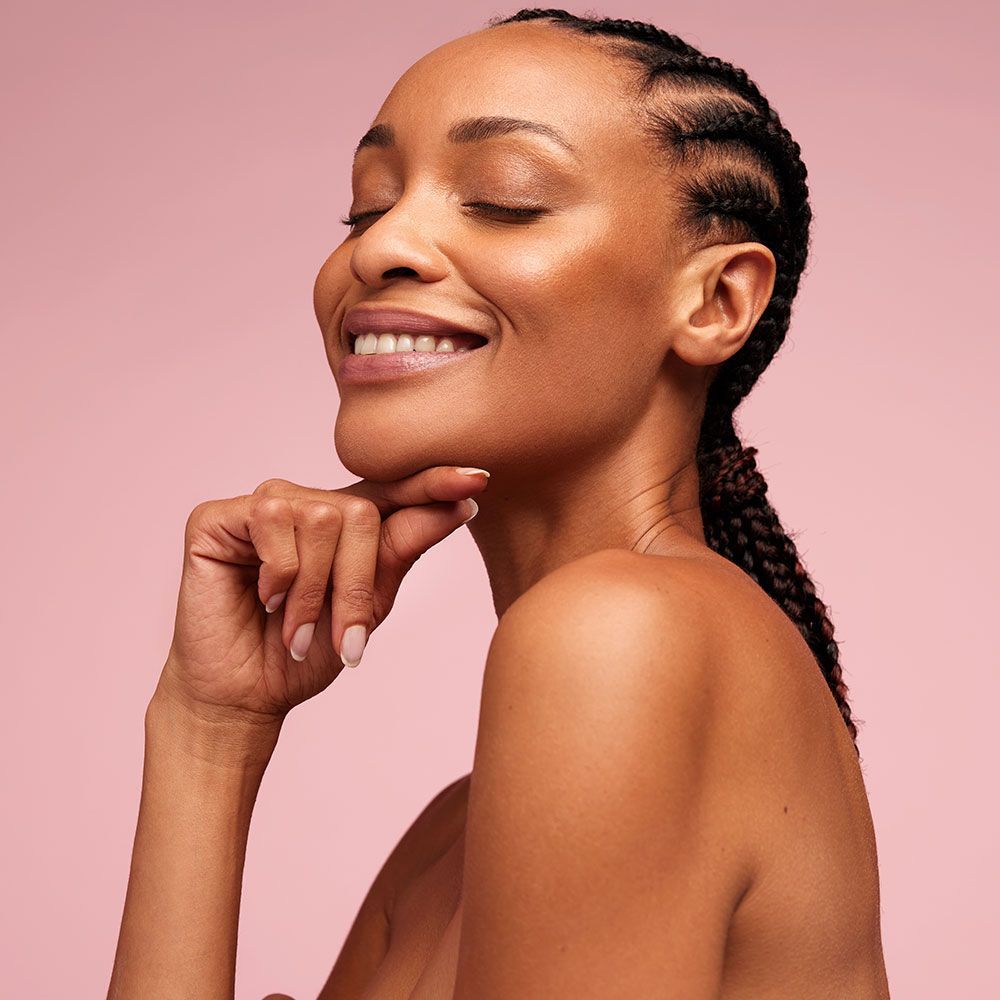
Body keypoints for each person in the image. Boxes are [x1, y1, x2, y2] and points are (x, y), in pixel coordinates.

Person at [107, 8, 891, 999]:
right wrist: (206, 731)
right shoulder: (452, 835)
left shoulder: (622, 633)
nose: (381, 247)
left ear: (715, 302)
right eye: (364, 209)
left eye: (502, 198)